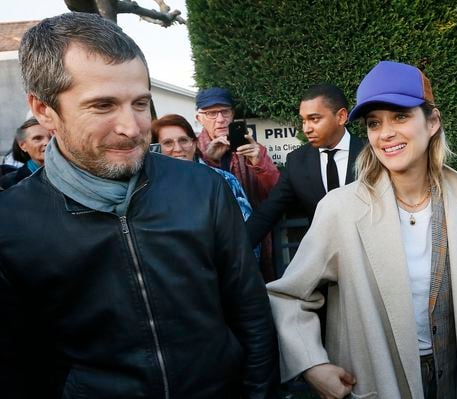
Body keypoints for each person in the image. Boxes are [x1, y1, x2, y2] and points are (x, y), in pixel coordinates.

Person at [0, 12, 276, 399]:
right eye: (102, 106)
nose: (131, 127)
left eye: (141, 103)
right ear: (44, 110)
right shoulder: (11, 226)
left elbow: (251, 313)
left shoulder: (204, 189)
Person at [267, 61, 457, 398]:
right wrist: (312, 364)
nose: (385, 133)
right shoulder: (341, 209)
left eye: (400, 116)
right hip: (375, 378)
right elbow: (288, 296)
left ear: (432, 122)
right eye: (374, 123)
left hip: (455, 373)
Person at [246, 84, 365, 248]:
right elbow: (267, 212)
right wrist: (232, 251)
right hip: (324, 261)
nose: (306, 129)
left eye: (314, 119)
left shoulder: (372, 154)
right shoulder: (297, 161)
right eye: (303, 120)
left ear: (341, 116)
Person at [196, 87, 280, 281]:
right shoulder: (193, 150)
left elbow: (276, 192)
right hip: (210, 241)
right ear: (199, 117)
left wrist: (259, 163)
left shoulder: (253, 149)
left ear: (233, 114)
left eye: (225, 111)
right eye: (211, 113)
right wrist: (209, 160)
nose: (220, 119)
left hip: (251, 237)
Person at [151, 113, 253, 222]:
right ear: (156, 148)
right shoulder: (147, 188)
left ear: (194, 144)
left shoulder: (225, 180)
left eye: (183, 140)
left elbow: (244, 226)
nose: (178, 148)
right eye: (168, 143)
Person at [0, 117, 51, 189]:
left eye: (52, 137)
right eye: (37, 138)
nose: (48, 142)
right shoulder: (9, 184)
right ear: (22, 145)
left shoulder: (69, 176)